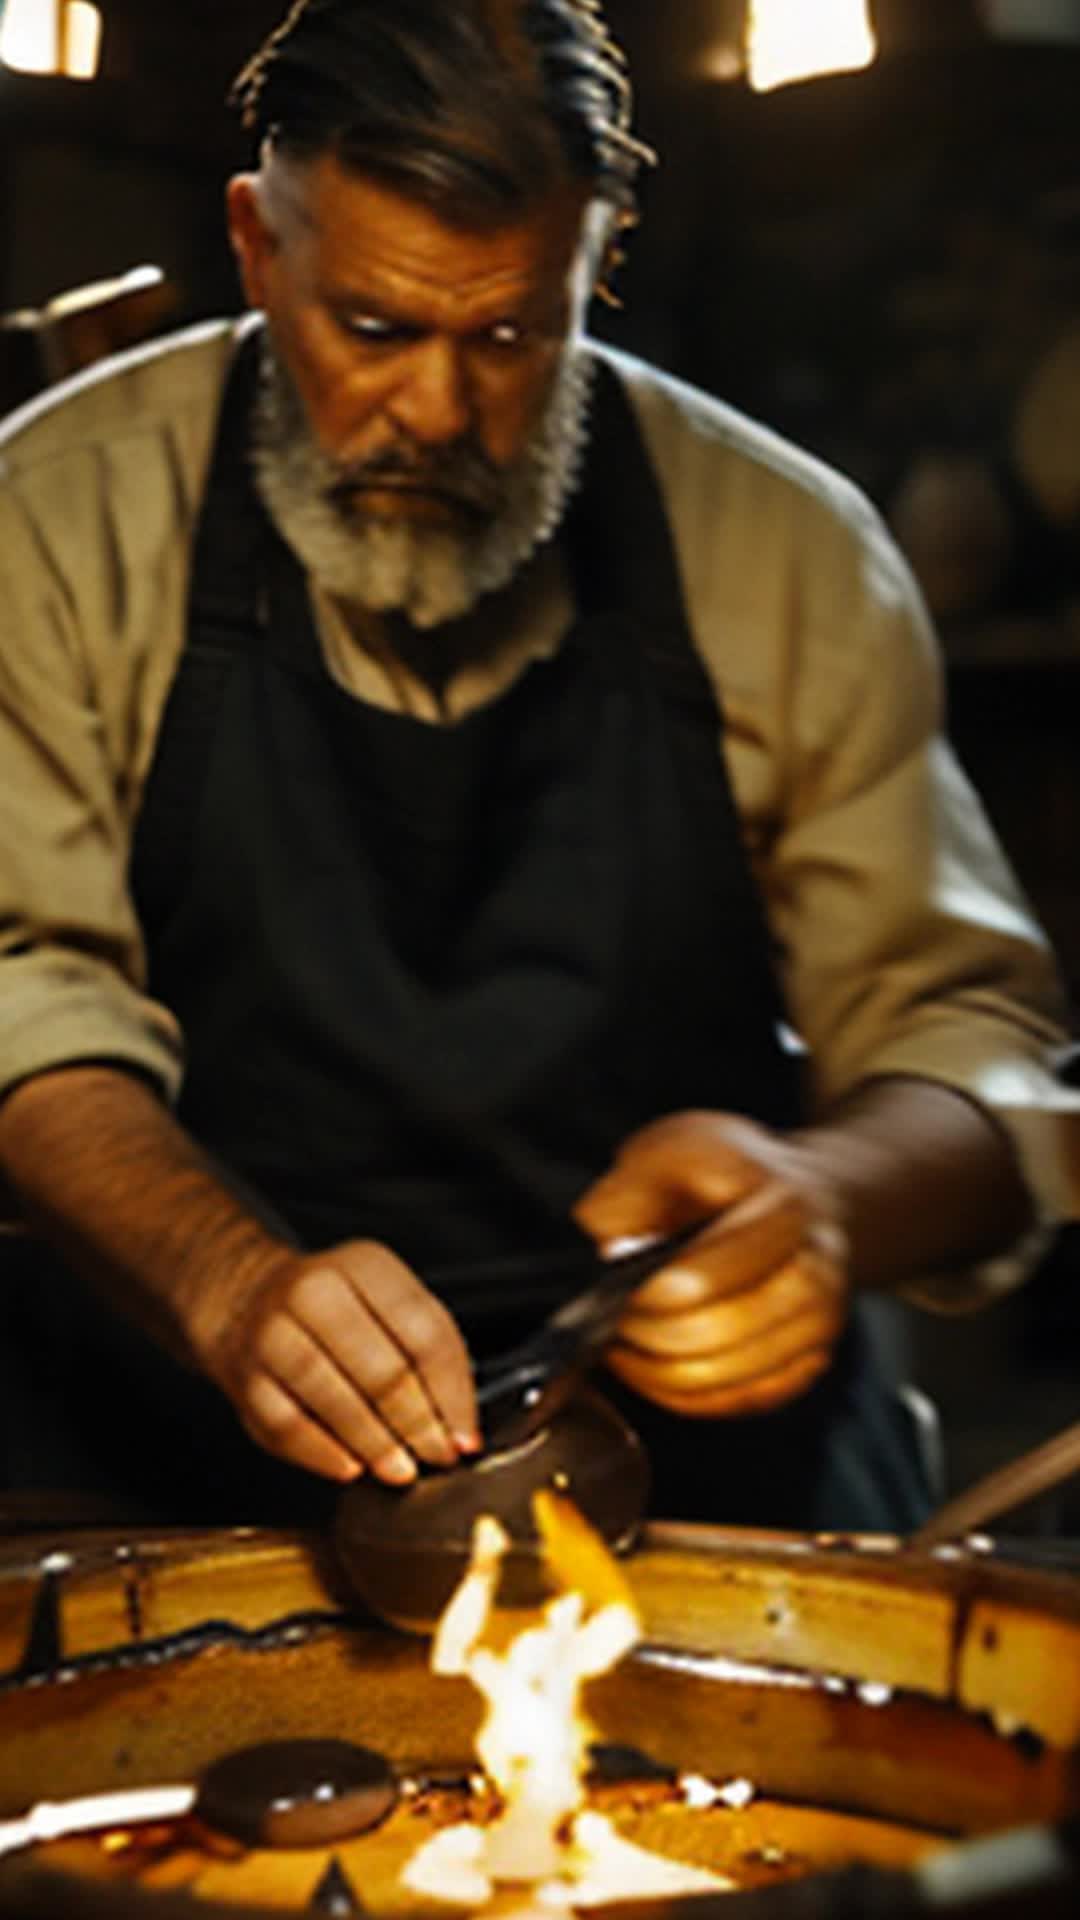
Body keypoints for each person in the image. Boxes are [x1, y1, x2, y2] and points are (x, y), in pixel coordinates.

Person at [0, 0, 1074, 1535]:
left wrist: (829, 1200)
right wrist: (230, 1286)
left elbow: (969, 1040)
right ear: (257, 245)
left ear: (596, 265)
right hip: (175, 1427)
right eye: (372, 329)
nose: (439, 412)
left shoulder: (789, 549)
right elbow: (17, 996)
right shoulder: (52, 517)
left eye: (511, 336)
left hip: (694, 1449)